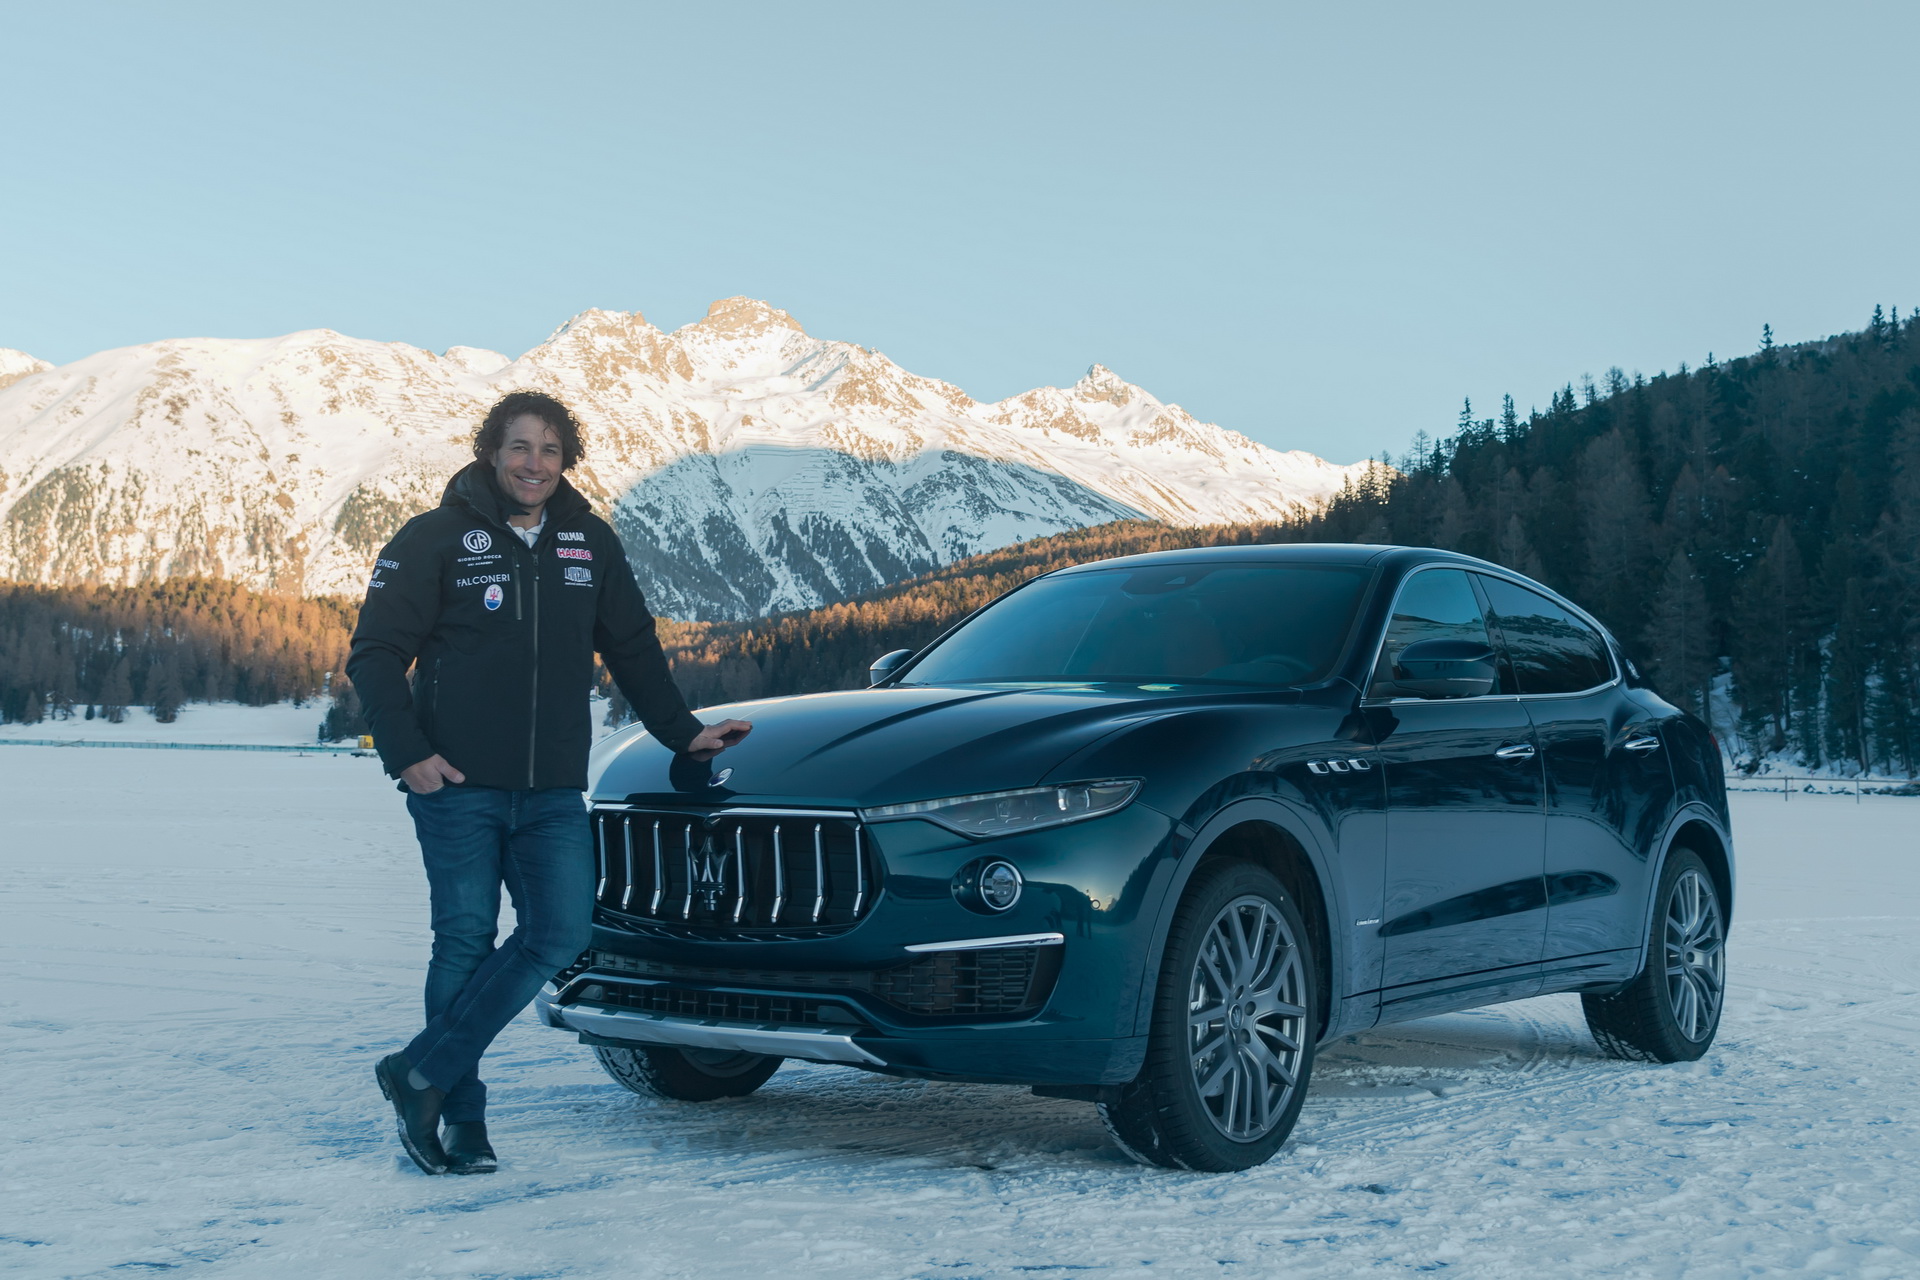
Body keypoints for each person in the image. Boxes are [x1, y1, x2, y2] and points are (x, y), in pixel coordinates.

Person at [347, 390, 751, 1175]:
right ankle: (461, 1118)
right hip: (457, 784)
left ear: (567, 461)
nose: (534, 464)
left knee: (561, 932)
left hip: (554, 790)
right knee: (464, 941)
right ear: (490, 453)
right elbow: (374, 653)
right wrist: (408, 754)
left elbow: (633, 650)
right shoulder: (435, 538)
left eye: (550, 450)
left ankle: (419, 1072)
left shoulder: (587, 544)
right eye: (520, 447)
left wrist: (685, 733)